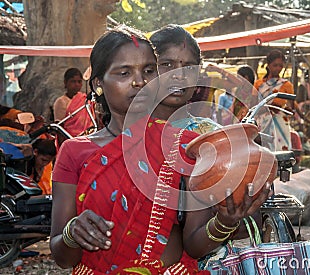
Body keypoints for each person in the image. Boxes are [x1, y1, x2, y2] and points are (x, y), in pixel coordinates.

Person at [51, 25, 272, 275]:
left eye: (148, 71)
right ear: (99, 83)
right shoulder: (73, 153)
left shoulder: (187, 145)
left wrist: (225, 222)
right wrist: (72, 233)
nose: (139, 81)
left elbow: (195, 245)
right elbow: (62, 256)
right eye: (124, 73)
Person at [150, 24, 274, 263]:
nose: (178, 74)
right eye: (166, 64)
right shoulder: (124, 136)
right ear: (146, 70)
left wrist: (230, 218)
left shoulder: (211, 136)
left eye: (188, 67)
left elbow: (248, 218)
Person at [255, 50, 295, 151]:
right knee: (264, 150)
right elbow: (253, 104)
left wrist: (287, 110)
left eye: (280, 66)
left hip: (280, 122)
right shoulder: (258, 84)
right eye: (275, 65)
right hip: (262, 120)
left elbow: (291, 107)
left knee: (281, 150)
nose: (278, 68)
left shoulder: (287, 85)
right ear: (268, 65)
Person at [53, 68, 95, 137]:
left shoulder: (85, 99)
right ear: (65, 82)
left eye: (79, 82)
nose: (76, 84)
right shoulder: (61, 101)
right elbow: (59, 127)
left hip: (87, 138)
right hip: (68, 139)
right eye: (73, 81)